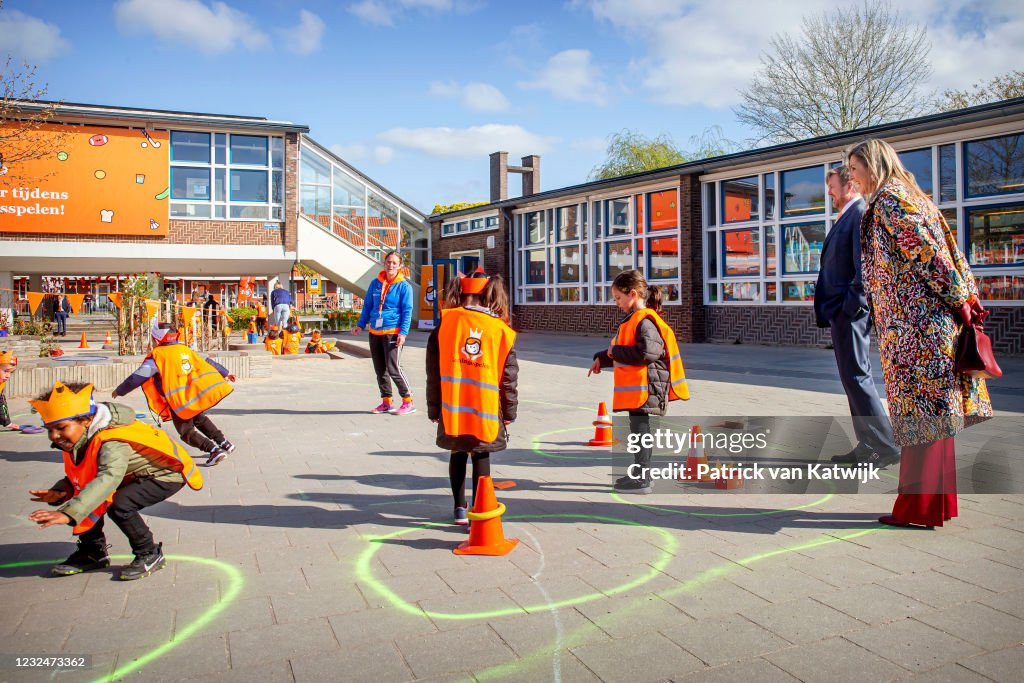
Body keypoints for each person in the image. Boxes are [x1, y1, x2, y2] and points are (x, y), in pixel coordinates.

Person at [847, 138, 993, 529]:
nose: (852, 177)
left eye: (855, 169)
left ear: (874, 165)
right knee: (931, 417)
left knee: (920, 416)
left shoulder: (892, 200)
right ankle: (934, 506)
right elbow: (949, 250)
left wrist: (960, 299)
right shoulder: (911, 196)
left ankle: (918, 508)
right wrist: (964, 299)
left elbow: (931, 255)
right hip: (921, 324)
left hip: (917, 327)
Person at [27, 381, 203, 580]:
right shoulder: (79, 438)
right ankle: (93, 553)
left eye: (60, 427)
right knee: (87, 493)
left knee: (120, 504)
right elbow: (82, 476)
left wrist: (69, 513)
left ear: (85, 421)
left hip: (164, 474)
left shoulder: (112, 441)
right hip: (130, 473)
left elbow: (108, 478)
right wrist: (62, 490)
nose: (54, 436)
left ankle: (149, 553)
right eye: (49, 429)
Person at [814, 165, 900, 468]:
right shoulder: (849, 214)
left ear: (849, 184)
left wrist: (852, 306)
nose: (829, 192)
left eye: (832, 185)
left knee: (858, 378)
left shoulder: (859, 213)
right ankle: (869, 444)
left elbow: (864, 265)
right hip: (843, 313)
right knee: (852, 379)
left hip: (850, 313)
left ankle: (884, 445)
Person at [426, 269, 518, 525]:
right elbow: (508, 377)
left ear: (460, 291)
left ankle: (458, 508)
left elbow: (433, 371)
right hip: (485, 407)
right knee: (481, 455)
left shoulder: (445, 323)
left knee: (457, 453)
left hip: (453, 405)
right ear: (489, 294)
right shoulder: (499, 329)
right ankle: (480, 508)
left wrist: (434, 408)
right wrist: (509, 412)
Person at [589, 270, 688, 494]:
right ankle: (640, 473)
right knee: (637, 431)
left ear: (633, 294)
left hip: (646, 386)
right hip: (640, 387)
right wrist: (601, 357)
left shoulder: (644, 321)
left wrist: (615, 352)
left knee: (640, 432)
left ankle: (643, 478)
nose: (617, 304)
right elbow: (620, 348)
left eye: (618, 298)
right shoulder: (634, 320)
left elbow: (648, 352)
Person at [112, 323, 237, 466]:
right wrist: (225, 373)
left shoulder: (158, 356)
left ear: (158, 340)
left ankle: (213, 450)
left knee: (186, 431)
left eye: (153, 339)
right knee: (200, 420)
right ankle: (224, 443)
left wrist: (120, 390)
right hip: (192, 395)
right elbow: (206, 361)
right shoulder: (185, 349)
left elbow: (137, 377)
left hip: (178, 401)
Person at [352, 251, 415, 415]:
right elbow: (368, 306)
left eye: (395, 263)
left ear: (400, 266)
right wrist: (360, 324)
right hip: (375, 331)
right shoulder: (375, 283)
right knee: (380, 369)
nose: (391, 265)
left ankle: (408, 401)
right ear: (384, 263)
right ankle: (387, 402)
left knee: (393, 368)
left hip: (392, 332)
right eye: (389, 262)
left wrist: (403, 333)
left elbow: (407, 311)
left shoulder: (404, 286)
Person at [1, 350, 20, 431]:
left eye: (10, 372)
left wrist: (7, 423)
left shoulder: (1, 384)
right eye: (5, 371)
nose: (8, 376)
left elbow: (2, 404)